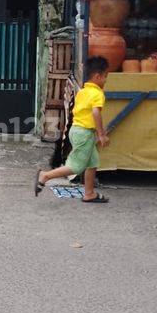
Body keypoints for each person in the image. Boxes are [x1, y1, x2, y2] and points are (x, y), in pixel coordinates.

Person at [35, 56, 110, 203]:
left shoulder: (83, 91)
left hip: (76, 130)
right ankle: (45, 176)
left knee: (92, 163)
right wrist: (101, 135)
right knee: (76, 167)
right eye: (105, 76)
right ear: (97, 76)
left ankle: (89, 193)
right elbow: (95, 113)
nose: (106, 80)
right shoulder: (97, 94)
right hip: (85, 133)